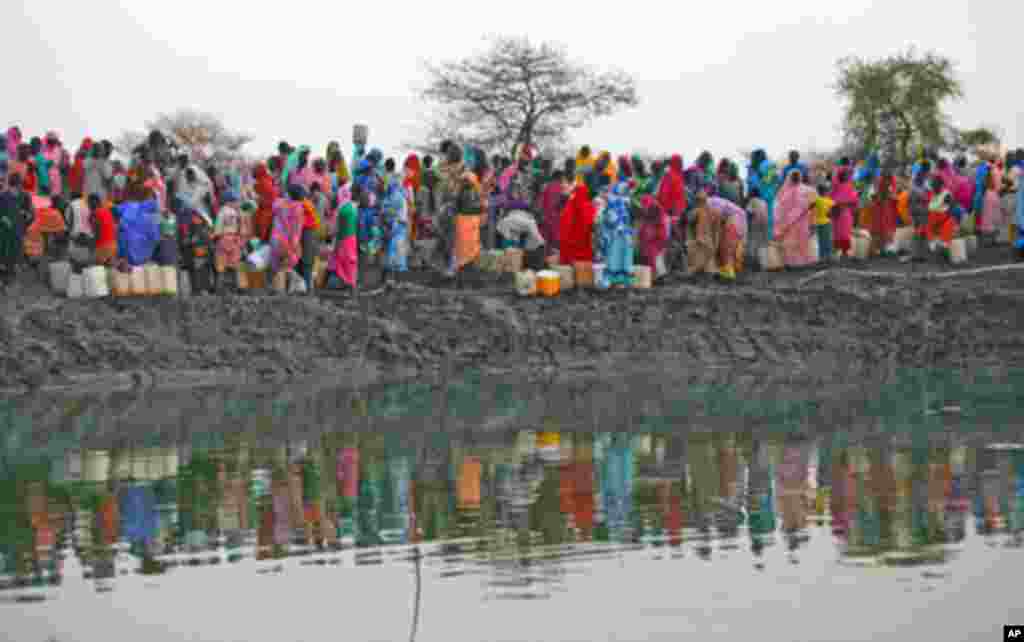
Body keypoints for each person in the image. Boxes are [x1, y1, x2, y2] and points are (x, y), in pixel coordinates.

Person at [773, 170, 815, 268]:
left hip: (799, 219)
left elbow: (813, 204)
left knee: (799, 240)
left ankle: (798, 262)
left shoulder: (806, 189)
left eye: (797, 176)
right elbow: (780, 206)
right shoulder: (787, 190)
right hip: (794, 220)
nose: (796, 178)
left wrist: (805, 210)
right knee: (793, 241)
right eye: (795, 176)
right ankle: (793, 262)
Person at [497, 196, 547, 272]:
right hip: (508, 232)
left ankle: (509, 269)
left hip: (508, 230)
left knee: (510, 254)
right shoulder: (530, 221)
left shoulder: (522, 216)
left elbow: (509, 227)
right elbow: (536, 236)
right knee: (513, 255)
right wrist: (542, 242)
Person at [327, 183, 360, 291]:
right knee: (350, 261)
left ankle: (348, 285)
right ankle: (350, 284)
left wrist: (336, 242)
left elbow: (337, 229)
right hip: (351, 238)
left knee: (344, 261)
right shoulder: (352, 206)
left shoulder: (342, 208)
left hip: (344, 239)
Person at [270, 185, 304, 283]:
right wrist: (294, 246)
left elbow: (274, 210)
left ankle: (276, 288)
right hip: (288, 241)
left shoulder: (278, 203)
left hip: (276, 237)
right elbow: (297, 229)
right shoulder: (298, 208)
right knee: (286, 266)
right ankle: (284, 290)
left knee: (276, 266)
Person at [708, 195, 747, 281]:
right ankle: (726, 269)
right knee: (731, 247)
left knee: (726, 246)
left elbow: (716, 229)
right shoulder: (711, 202)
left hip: (735, 219)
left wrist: (714, 244)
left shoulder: (710, 205)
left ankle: (728, 271)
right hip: (740, 219)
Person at [559, 182, 597, 267]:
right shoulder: (589, 206)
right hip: (584, 243)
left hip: (571, 245)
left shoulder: (569, 205)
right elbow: (592, 224)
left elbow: (564, 223)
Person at [213, 190, 244, 290]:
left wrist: (216, 236)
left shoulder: (221, 212)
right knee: (234, 265)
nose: (236, 203)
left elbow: (218, 228)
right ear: (228, 202)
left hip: (223, 238)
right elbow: (240, 227)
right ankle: (237, 286)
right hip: (234, 239)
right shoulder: (236, 212)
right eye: (234, 201)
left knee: (221, 265)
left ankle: (219, 287)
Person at [829, 168, 858, 259]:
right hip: (838, 212)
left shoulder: (848, 186)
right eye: (844, 175)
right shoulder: (836, 186)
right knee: (837, 232)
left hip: (844, 212)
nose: (845, 176)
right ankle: (837, 252)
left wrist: (847, 204)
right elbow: (831, 198)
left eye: (846, 175)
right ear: (840, 176)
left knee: (844, 232)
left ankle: (844, 252)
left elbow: (854, 200)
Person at [871, 169, 899, 256]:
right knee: (879, 230)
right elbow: (875, 195)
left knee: (884, 230)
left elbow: (893, 196)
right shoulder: (880, 182)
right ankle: (879, 249)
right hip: (881, 208)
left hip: (885, 208)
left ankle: (882, 249)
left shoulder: (890, 182)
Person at [745, 187, 769, 269]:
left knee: (753, 241)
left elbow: (749, 212)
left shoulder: (752, 201)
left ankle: (755, 262)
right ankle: (763, 262)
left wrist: (748, 222)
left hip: (755, 222)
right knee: (761, 242)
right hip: (764, 223)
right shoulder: (763, 201)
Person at [812, 184, 834, 264]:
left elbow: (811, 206)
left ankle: (821, 257)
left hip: (818, 223)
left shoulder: (817, 200)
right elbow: (833, 210)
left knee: (821, 240)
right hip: (827, 222)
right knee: (828, 240)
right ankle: (828, 257)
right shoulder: (829, 201)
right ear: (825, 192)